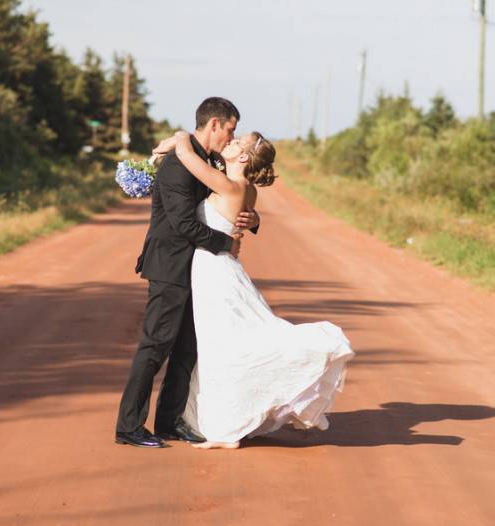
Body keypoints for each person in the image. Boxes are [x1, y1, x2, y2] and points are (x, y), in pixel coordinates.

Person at [157, 129, 354, 449]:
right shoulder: (245, 189)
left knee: (220, 346)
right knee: (227, 342)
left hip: (214, 271)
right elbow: (245, 212)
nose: (230, 143)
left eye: (236, 143)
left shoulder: (228, 184)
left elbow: (188, 158)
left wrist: (179, 136)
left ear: (243, 157)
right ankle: (230, 418)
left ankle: (226, 425)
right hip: (221, 269)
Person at [115, 97, 260, 448]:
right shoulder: (178, 165)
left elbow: (236, 197)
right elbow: (182, 223)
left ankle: (169, 421)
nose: (231, 136)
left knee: (187, 349)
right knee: (155, 346)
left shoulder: (205, 161)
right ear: (214, 124)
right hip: (169, 266)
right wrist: (226, 245)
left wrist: (252, 220)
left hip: (197, 270)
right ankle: (129, 427)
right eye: (230, 129)